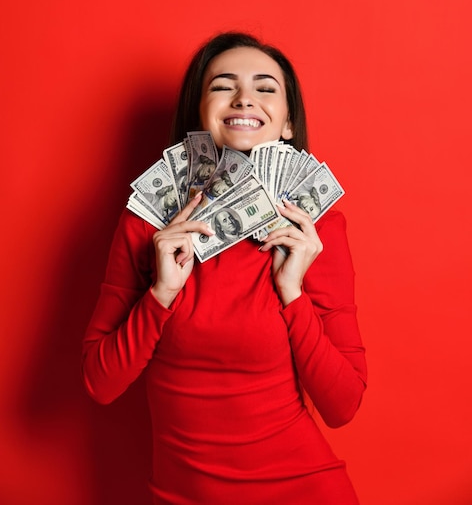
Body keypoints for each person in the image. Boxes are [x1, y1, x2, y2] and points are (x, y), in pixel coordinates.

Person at [82, 32, 367, 505]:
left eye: (265, 87)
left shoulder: (315, 232)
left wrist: (292, 291)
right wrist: (160, 295)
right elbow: (100, 382)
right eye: (222, 85)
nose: (244, 98)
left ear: (288, 122)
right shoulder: (149, 223)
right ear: (199, 112)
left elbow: (343, 406)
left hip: (302, 488)